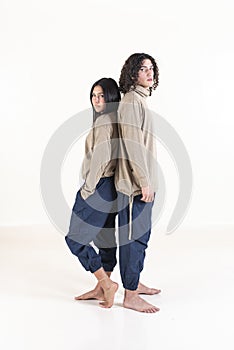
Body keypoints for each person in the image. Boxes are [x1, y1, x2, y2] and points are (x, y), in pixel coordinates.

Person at [65, 78, 120, 308]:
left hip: (98, 187)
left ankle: (106, 284)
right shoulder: (115, 119)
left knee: (75, 239)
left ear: (111, 97)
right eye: (94, 95)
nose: (97, 100)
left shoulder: (104, 123)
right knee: (104, 237)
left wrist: (87, 189)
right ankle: (101, 287)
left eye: (101, 95)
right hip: (111, 188)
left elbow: (100, 158)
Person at [115, 53, 160, 313]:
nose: (149, 73)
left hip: (141, 182)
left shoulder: (139, 100)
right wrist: (144, 181)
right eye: (143, 69)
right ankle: (130, 294)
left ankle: (135, 283)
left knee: (141, 237)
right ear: (133, 73)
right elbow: (132, 145)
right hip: (134, 186)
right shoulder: (132, 101)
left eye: (151, 69)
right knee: (134, 238)